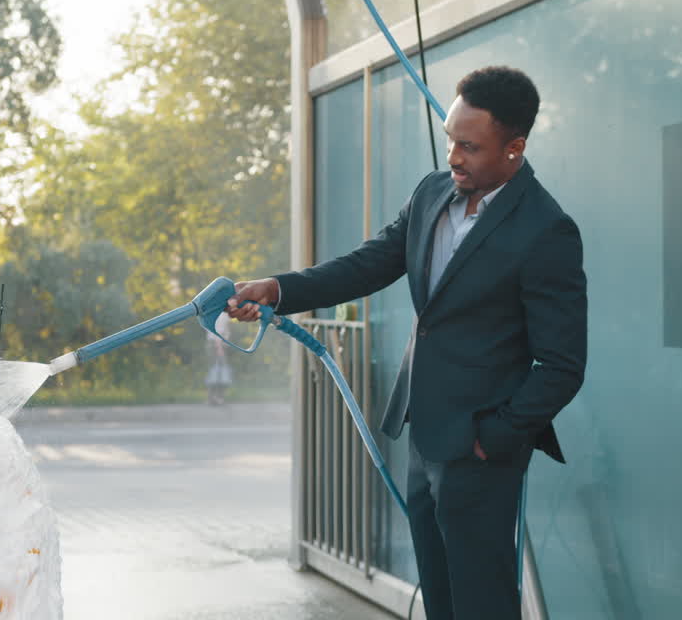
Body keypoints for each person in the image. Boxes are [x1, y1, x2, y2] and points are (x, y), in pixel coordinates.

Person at [227, 66, 586, 619]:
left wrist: (495, 436)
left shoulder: (546, 230)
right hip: (424, 434)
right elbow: (366, 265)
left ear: (514, 147)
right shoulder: (431, 193)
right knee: (441, 597)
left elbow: (562, 365)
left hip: (481, 449)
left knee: (482, 602)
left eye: (470, 146)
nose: (454, 157)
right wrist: (278, 289)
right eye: (450, 140)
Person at [204, 310, 233, 405]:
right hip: (217, 345)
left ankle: (214, 397)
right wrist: (219, 347)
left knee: (217, 371)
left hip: (217, 344)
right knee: (218, 372)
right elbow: (217, 332)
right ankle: (216, 397)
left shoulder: (217, 312)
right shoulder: (221, 314)